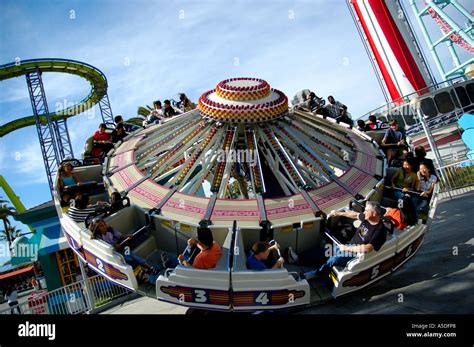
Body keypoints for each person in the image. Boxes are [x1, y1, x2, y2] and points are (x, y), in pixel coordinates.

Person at [301, 201, 386, 281]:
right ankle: (299, 259)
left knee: (334, 259)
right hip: (349, 246)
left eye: (366, 211)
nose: (363, 212)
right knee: (327, 251)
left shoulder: (380, 230)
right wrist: (338, 213)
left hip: (357, 255)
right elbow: (355, 215)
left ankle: (315, 273)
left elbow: (368, 248)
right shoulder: (367, 217)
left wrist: (346, 248)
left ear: (374, 213)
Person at [90, 218, 158, 275]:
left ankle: (149, 267)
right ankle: (142, 271)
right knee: (129, 259)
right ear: (97, 229)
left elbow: (120, 236)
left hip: (121, 246)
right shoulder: (99, 238)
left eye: (104, 224)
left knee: (133, 256)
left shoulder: (110, 229)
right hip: (114, 252)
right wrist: (114, 246)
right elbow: (105, 247)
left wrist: (127, 236)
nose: (104, 226)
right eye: (101, 226)